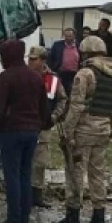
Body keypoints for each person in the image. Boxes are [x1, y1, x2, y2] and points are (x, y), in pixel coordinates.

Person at [50, 35, 112, 223]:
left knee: (75, 173)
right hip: (103, 131)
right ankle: (98, 219)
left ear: (87, 52)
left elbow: (75, 107)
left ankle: (72, 218)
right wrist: (111, 128)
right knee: (97, 174)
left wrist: (67, 132)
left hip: (83, 132)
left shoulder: (84, 74)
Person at [0, 39, 49, 223]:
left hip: (11, 132)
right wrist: (41, 125)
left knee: (12, 176)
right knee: (25, 175)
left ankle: (13, 220)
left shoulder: (6, 77)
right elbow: (44, 107)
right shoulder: (36, 77)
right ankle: (24, 220)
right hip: (32, 133)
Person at [27, 45, 68, 208]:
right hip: (25, 124)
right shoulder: (24, 76)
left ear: (43, 60)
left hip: (43, 126)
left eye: (34, 59)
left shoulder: (53, 79)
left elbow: (62, 99)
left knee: (40, 162)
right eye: (29, 59)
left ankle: (36, 194)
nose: (30, 62)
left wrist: (55, 116)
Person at [48, 28, 80, 99]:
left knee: (70, 93)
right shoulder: (57, 45)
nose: (68, 38)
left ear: (74, 36)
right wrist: (52, 69)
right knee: (54, 93)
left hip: (73, 74)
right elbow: (50, 58)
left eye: (70, 36)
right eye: (66, 36)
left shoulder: (79, 46)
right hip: (59, 73)